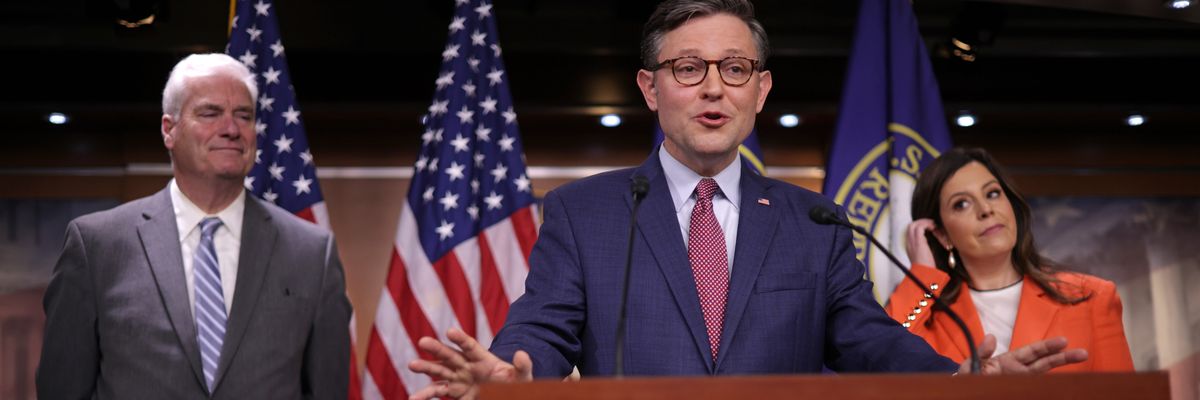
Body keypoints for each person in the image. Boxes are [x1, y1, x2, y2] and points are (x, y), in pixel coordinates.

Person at [407, 1, 1087, 398]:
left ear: (760, 91)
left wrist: (968, 375)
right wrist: (509, 373)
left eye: (735, 69)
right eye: (688, 68)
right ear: (650, 88)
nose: (713, 88)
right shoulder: (586, 213)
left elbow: (868, 341)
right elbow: (542, 328)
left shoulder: (813, 220)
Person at [36, 53, 352, 399]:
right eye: (210, 113)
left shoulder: (311, 252)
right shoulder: (97, 246)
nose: (231, 129)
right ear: (169, 130)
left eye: (243, 115)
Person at [886, 147, 1134, 372]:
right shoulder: (929, 317)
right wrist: (921, 275)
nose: (985, 209)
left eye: (993, 193)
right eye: (961, 204)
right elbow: (881, 363)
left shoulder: (1092, 297)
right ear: (941, 234)